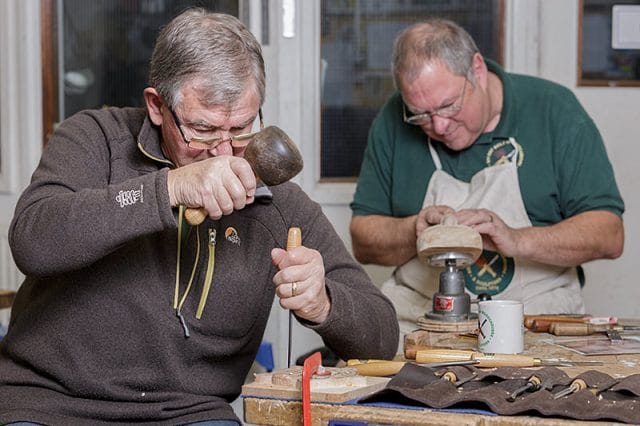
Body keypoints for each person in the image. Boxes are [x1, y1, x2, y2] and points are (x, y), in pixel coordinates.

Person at [0, 9, 399, 425]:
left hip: (189, 414)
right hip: (48, 405)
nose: (223, 152)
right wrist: (171, 188)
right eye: (203, 129)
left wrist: (323, 303)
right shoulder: (96, 140)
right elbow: (33, 240)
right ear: (157, 106)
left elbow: (383, 336)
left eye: (242, 127)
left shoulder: (278, 203)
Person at [350, 18, 624, 348]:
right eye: (420, 114)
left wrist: (517, 240)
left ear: (477, 71)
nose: (439, 125)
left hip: (536, 326)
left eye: (449, 105)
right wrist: (415, 230)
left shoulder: (554, 111)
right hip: (422, 328)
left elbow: (609, 234)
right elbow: (362, 240)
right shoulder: (392, 121)